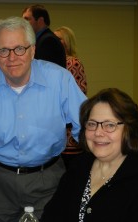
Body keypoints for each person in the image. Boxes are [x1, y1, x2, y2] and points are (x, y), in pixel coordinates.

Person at [0, 16, 86, 222]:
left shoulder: (60, 80)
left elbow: (86, 123)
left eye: (19, 49)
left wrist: (103, 164)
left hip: (48, 179)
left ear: (33, 50)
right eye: (3, 51)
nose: (11, 57)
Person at [41, 88, 138, 222]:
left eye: (110, 125)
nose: (98, 132)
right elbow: (52, 216)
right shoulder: (79, 166)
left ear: (129, 129)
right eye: (92, 124)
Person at [54, 26, 87, 169]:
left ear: (67, 42)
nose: (55, 42)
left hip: (69, 134)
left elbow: (79, 93)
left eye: (59, 39)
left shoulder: (72, 63)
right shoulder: (53, 64)